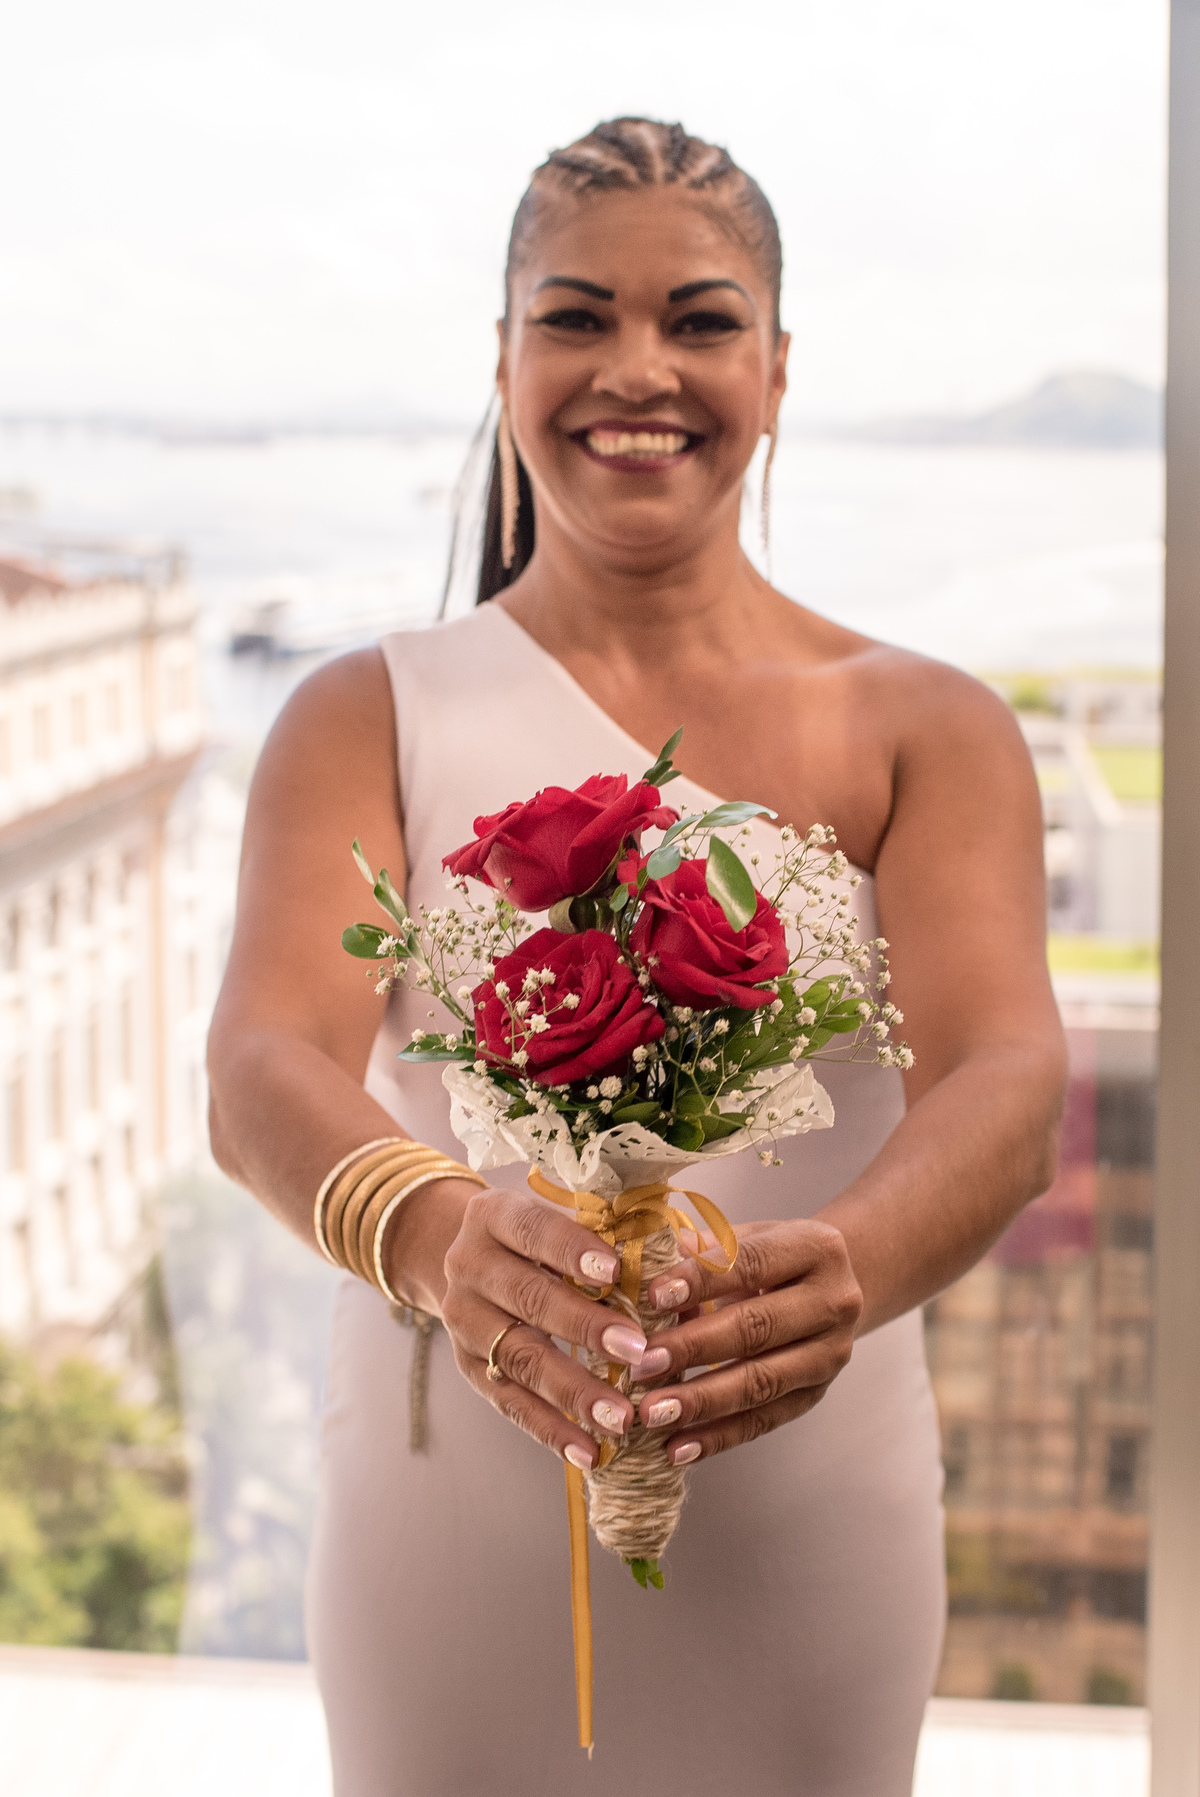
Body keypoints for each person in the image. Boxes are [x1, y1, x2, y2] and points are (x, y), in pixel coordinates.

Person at [207, 117, 1066, 1796]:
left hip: (809, 1503)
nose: (639, 368)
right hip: (446, 1500)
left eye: (701, 317)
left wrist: (842, 1269)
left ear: (779, 362)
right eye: (579, 316)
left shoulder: (929, 724)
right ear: (508, 354)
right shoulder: (357, 714)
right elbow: (258, 1073)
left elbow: (1011, 1080)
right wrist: (447, 1236)